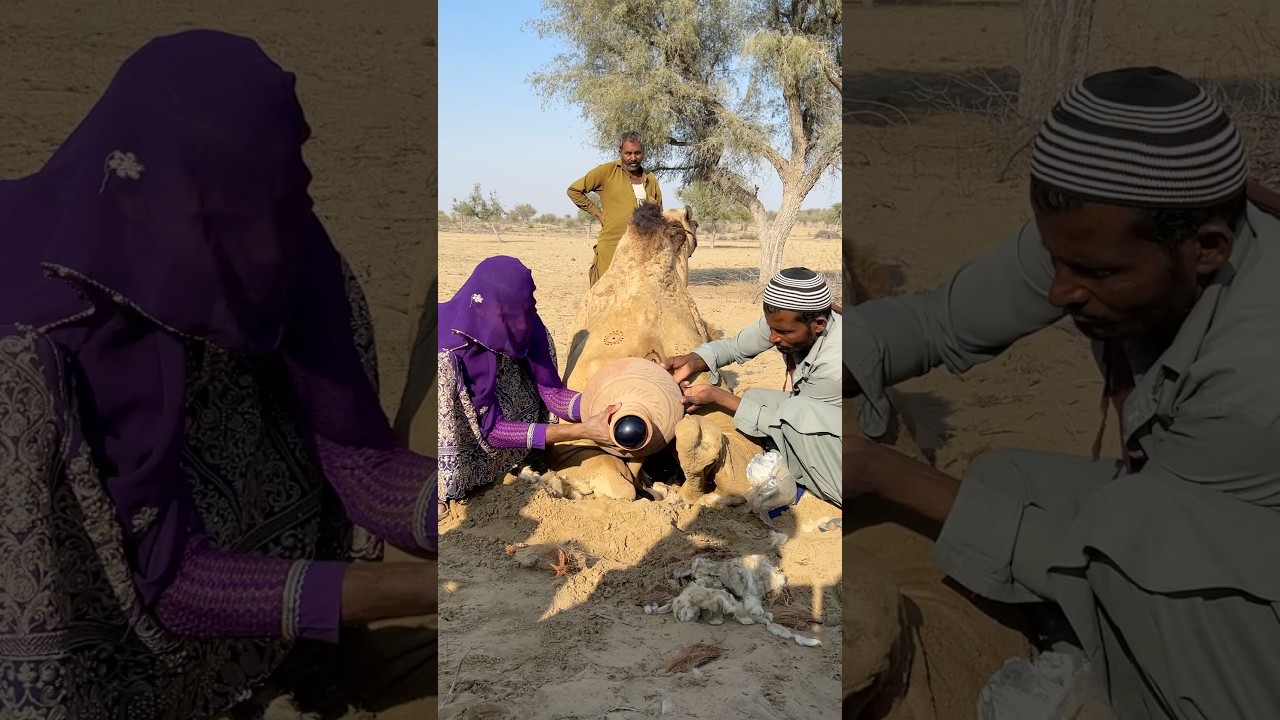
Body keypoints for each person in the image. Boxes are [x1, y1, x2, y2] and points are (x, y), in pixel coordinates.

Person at [0, 31, 438, 719]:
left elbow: (360, 462)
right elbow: (175, 580)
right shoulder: (73, 327)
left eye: (284, 194)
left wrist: (471, 525)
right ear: (143, 194)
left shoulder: (278, 226)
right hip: (115, 568)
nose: (265, 244)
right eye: (233, 218)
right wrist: (431, 592)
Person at [844, 66, 1280, 719]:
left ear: (1208, 248)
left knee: (1134, 523)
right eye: (1055, 260)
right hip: (1195, 524)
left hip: (1234, 566)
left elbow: (1153, 552)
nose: (1058, 293)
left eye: (1095, 273)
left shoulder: (1256, 373)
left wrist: (884, 474)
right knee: (1004, 481)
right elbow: (937, 322)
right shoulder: (1104, 230)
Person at [437, 255, 621, 514]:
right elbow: (493, 431)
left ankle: (516, 453)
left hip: (489, 412)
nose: (521, 323)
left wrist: (605, 405)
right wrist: (582, 432)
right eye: (511, 315)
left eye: (525, 310)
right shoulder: (459, 347)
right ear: (485, 307)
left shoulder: (524, 320)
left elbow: (552, 394)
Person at [663, 267, 842, 508]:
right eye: (771, 328)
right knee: (757, 399)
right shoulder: (786, 320)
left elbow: (801, 420)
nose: (772, 338)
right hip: (827, 419)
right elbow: (735, 347)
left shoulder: (836, 363)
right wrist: (694, 359)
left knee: (795, 412)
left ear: (819, 324)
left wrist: (717, 396)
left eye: (784, 332)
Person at [566, 131, 664, 285]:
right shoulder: (606, 172)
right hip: (613, 244)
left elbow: (658, 212)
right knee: (606, 292)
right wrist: (597, 213)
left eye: (637, 153)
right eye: (628, 153)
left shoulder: (649, 178)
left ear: (642, 153)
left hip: (642, 248)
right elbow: (574, 190)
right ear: (620, 153)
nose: (633, 158)